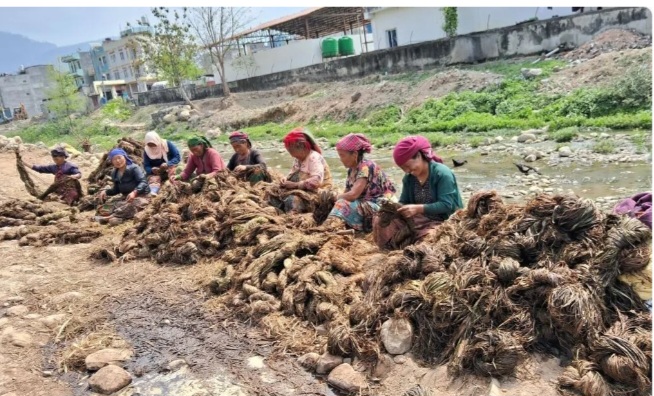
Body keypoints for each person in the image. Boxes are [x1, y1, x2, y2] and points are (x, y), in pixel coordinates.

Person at [373, 135, 463, 249]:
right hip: (420, 220)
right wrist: (394, 207)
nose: (407, 171)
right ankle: (388, 250)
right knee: (381, 219)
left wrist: (418, 209)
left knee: (430, 242)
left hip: (443, 220)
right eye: (403, 168)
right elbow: (404, 201)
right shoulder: (409, 178)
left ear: (419, 156)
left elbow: (446, 205)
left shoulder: (442, 174)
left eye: (408, 166)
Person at [326, 133, 396, 231]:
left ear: (354, 154)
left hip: (380, 207)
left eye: (342, 156)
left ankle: (329, 227)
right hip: (365, 204)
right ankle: (334, 225)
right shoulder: (351, 169)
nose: (340, 159)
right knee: (335, 202)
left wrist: (337, 197)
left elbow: (353, 195)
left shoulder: (365, 167)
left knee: (341, 203)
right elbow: (347, 192)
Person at [276, 128, 333, 214]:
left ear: (301, 146)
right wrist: (285, 179)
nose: (291, 155)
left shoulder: (314, 158)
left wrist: (295, 185)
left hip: (318, 192)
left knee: (292, 200)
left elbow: (316, 181)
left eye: (291, 150)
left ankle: (293, 218)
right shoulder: (298, 159)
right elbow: (293, 173)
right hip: (303, 190)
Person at [96, 148, 150, 223]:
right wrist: (106, 192)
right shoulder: (114, 172)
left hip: (141, 196)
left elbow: (143, 182)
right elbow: (116, 189)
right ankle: (117, 217)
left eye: (119, 157)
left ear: (124, 157)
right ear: (112, 162)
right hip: (125, 197)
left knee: (132, 205)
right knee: (106, 207)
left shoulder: (134, 168)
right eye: (114, 159)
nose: (118, 161)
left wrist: (135, 192)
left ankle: (112, 217)